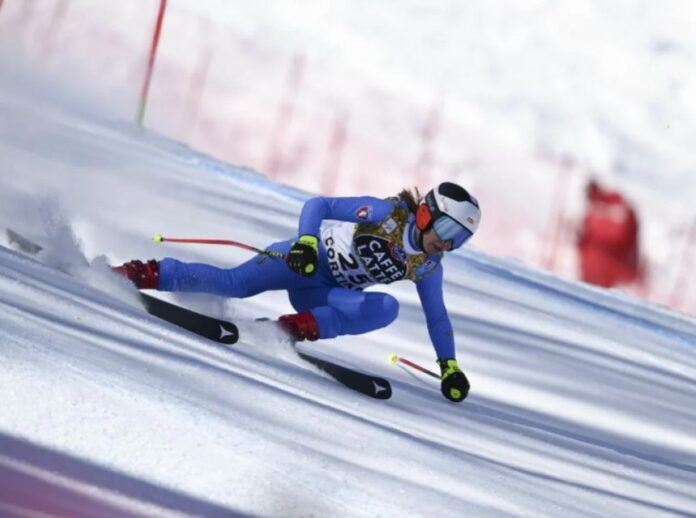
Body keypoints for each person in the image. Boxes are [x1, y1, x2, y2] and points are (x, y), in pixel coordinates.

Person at [114, 182, 482, 403]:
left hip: (323, 295)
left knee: (386, 307)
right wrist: (307, 242)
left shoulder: (428, 266)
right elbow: (319, 205)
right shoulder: (387, 214)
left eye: (460, 239)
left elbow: (437, 317)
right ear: (426, 214)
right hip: (301, 262)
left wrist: (449, 366)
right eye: (447, 230)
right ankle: (139, 273)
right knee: (234, 284)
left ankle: (288, 328)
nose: (447, 243)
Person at [577, 179, 642, 288]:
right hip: (596, 273)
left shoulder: (615, 208)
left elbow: (620, 237)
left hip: (610, 273)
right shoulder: (591, 215)